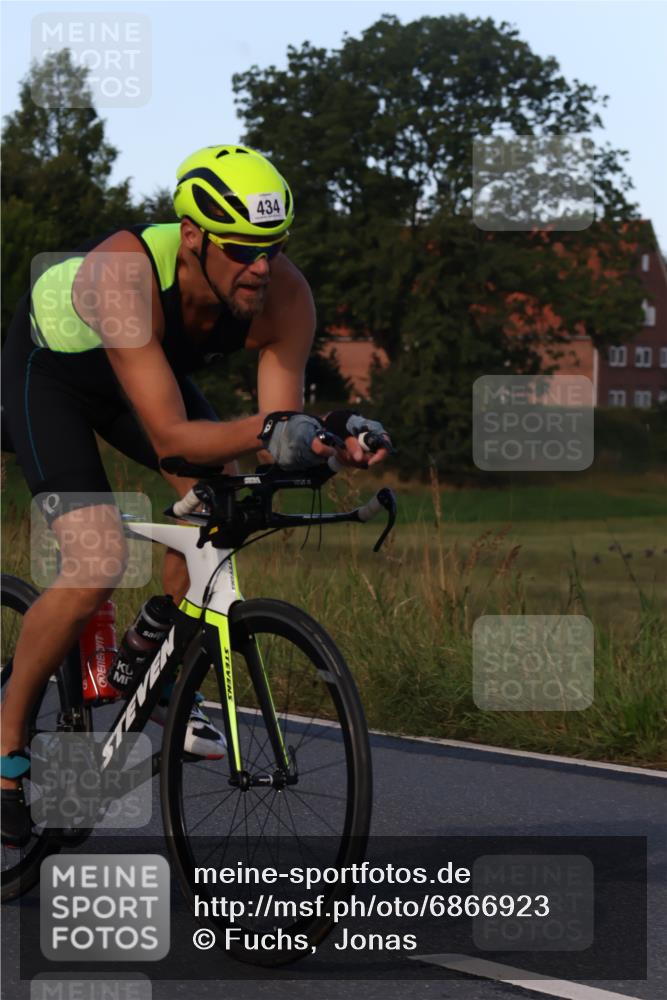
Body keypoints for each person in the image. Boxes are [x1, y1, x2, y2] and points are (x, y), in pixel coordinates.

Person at [0, 144, 391, 845]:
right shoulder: (124, 272)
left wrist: (328, 440)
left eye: (272, 248)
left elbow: (276, 439)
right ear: (192, 237)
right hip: (54, 373)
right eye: (241, 249)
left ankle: (143, 656)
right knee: (96, 561)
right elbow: (173, 437)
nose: (261, 267)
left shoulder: (284, 295)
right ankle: (4, 748)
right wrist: (274, 429)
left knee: (218, 512)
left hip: (142, 370)